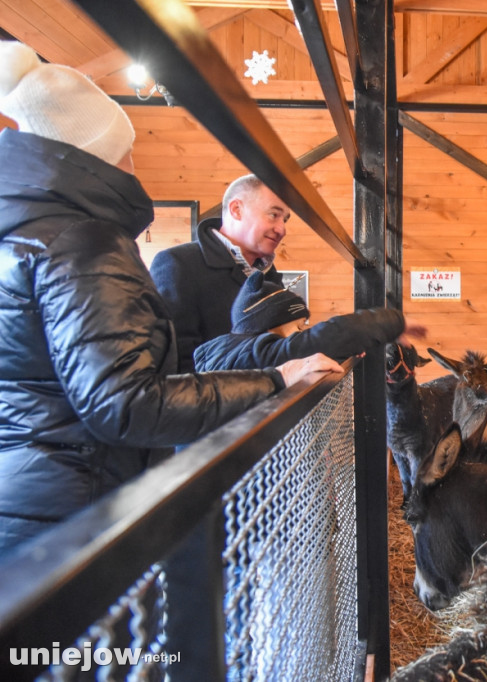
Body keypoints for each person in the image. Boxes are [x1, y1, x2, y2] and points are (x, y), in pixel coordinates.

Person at [0, 41, 342, 557]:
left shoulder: (30, 233)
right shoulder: (86, 242)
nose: (133, 164)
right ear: (98, 156)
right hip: (81, 500)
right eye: (126, 149)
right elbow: (130, 398)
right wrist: (274, 379)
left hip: (41, 493)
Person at [150, 174, 289, 372]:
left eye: (285, 219)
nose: (282, 229)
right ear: (236, 209)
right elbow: (173, 363)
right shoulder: (178, 264)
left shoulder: (269, 276)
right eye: (274, 215)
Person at [194, 271, 428, 371]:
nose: (302, 332)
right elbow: (328, 336)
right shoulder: (257, 354)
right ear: (270, 326)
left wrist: (344, 352)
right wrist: (393, 322)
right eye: (298, 327)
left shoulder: (232, 353)